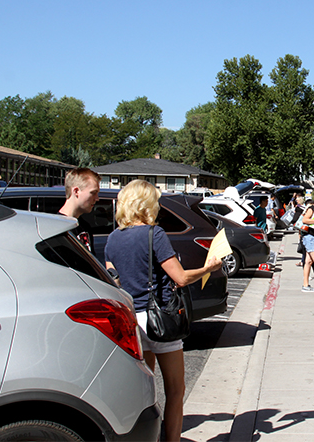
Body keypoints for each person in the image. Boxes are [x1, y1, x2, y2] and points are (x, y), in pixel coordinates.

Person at [104, 180, 222, 442]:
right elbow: (179, 278)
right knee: (175, 391)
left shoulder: (113, 238)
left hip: (131, 321)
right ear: (147, 205)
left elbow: (115, 279)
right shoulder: (154, 234)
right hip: (160, 321)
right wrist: (208, 268)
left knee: (145, 392)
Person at [58, 167, 101, 253]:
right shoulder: (57, 229)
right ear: (76, 191)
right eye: (93, 193)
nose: (97, 198)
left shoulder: (85, 226)